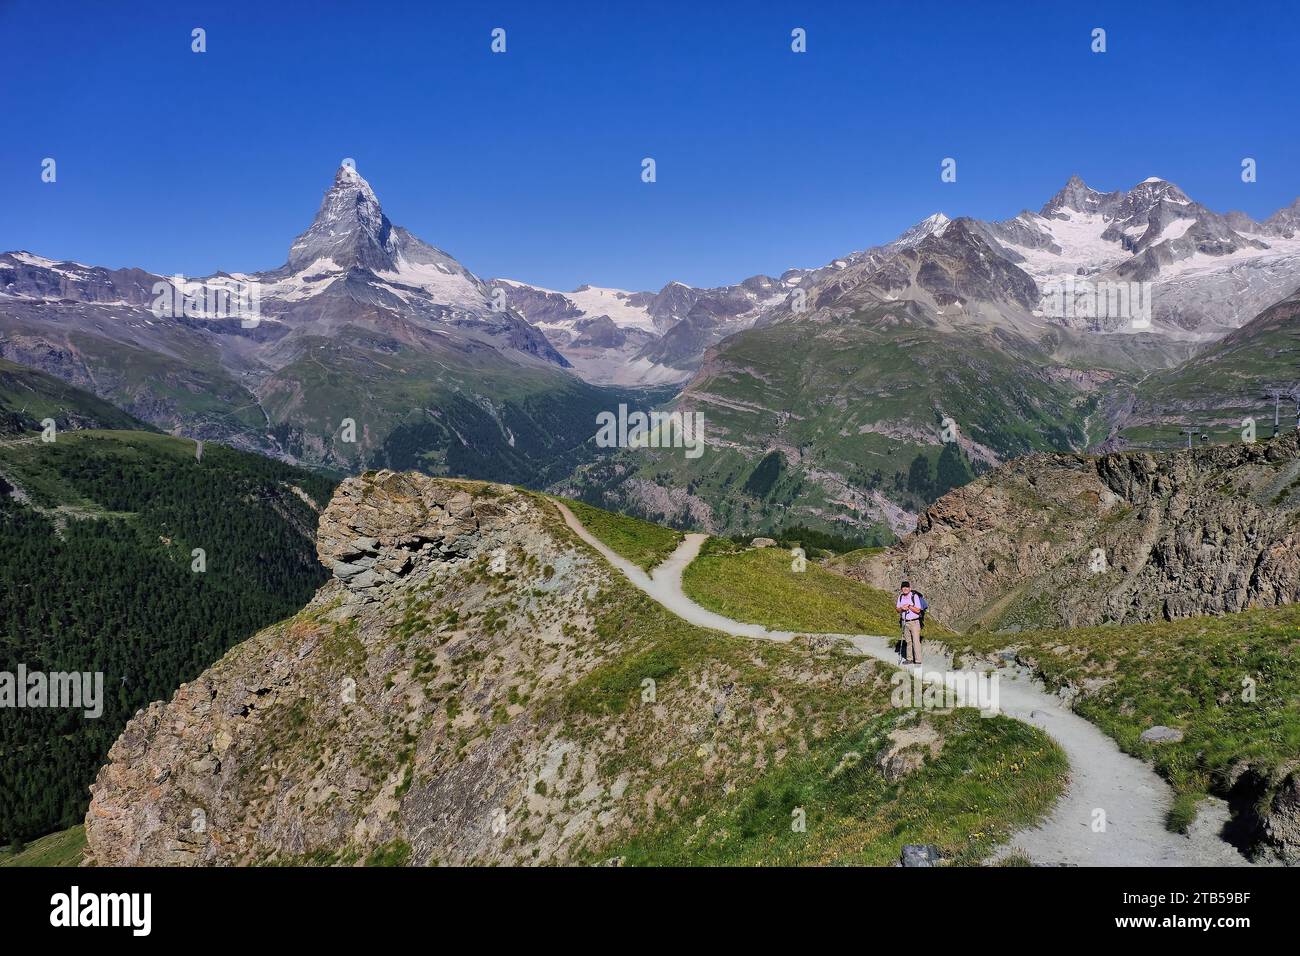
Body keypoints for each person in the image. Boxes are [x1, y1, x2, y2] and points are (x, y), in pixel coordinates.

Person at [896, 580, 927, 665]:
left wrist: (909, 606)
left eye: (907, 587)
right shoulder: (900, 597)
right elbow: (897, 609)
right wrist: (902, 608)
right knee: (908, 641)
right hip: (904, 622)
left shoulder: (914, 596)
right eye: (903, 587)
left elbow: (918, 610)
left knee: (916, 641)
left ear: (910, 588)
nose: (905, 589)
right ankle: (909, 658)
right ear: (901, 589)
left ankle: (918, 660)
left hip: (914, 622)